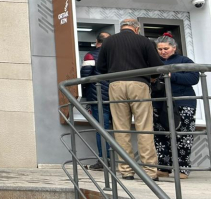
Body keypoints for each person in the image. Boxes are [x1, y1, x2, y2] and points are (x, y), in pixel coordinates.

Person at [96, 18, 163, 181]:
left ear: (121, 28)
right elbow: (156, 66)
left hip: (116, 85)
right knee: (144, 127)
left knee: (121, 128)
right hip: (139, 84)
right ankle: (149, 171)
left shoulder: (108, 41)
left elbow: (100, 67)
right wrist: (152, 77)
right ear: (137, 28)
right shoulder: (144, 41)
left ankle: (126, 170)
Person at [153, 33, 199, 179]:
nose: (163, 52)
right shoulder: (154, 62)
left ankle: (183, 169)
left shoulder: (185, 60)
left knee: (183, 136)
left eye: (165, 48)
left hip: (183, 102)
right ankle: (164, 168)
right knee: (161, 136)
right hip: (160, 103)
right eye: (160, 49)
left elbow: (194, 78)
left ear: (174, 48)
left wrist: (171, 75)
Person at [81, 31, 111, 171]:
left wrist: (84, 92)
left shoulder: (91, 55)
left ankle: (104, 160)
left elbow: (85, 76)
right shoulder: (115, 55)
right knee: (118, 128)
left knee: (101, 129)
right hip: (116, 96)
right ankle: (123, 161)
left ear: (96, 41)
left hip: (98, 97)